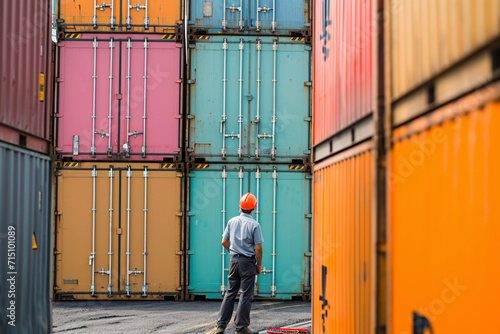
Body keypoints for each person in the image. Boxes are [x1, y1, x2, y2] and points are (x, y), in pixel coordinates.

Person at [209, 192, 264, 334]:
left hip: (234, 260)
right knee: (246, 295)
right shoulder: (255, 225)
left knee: (230, 293)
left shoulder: (231, 221)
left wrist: (232, 253)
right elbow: (258, 248)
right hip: (248, 262)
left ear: (240, 207)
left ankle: (220, 326)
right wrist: (258, 265)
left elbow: (224, 241)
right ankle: (241, 327)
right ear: (254, 208)